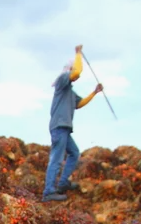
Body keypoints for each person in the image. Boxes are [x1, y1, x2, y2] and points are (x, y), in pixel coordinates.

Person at [41, 44, 103, 202]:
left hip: (65, 128)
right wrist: (78, 55)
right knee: (56, 158)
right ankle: (48, 192)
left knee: (74, 153)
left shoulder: (69, 91)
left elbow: (79, 104)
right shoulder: (62, 81)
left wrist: (94, 93)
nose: (77, 77)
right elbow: (76, 72)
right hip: (58, 127)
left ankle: (62, 184)